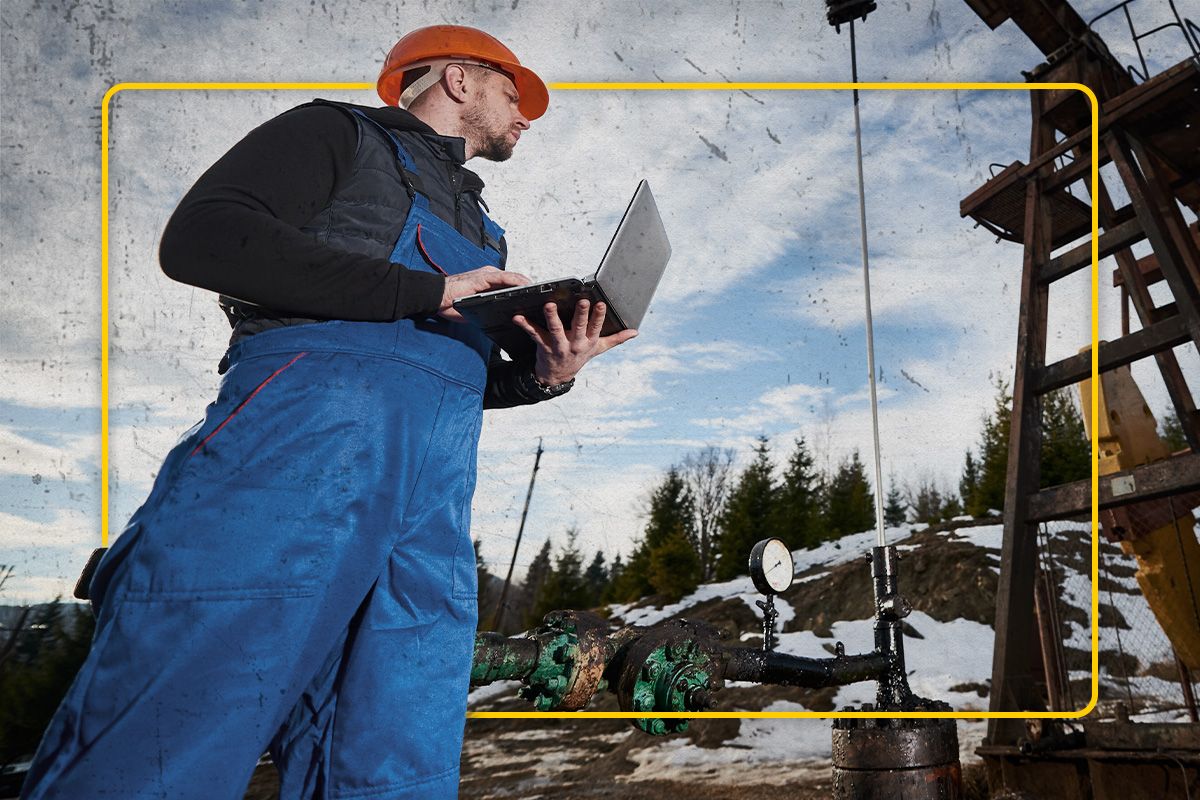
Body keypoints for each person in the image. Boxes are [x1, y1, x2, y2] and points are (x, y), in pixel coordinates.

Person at [23, 25, 635, 800]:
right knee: (167, 737)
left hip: (427, 511)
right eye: (513, 92)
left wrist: (545, 375)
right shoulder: (336, 133)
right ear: (456, 79)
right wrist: (428, 290)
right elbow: (201, 238)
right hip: (287, 470)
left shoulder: (485, 228)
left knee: (392, 760)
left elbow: (450, 371)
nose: (526, 114)